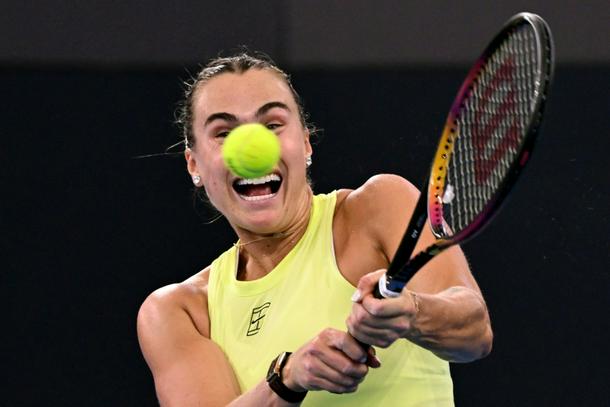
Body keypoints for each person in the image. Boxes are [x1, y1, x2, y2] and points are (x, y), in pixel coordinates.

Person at [137, 52, 493, 406]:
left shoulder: (379, 206)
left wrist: (412, 312)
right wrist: (287, 378)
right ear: (194, 165)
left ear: (305, 143)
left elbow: (475, 331)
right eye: (224, 133)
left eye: (272, 125)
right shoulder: (180, 312)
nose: (253, 148)